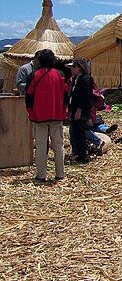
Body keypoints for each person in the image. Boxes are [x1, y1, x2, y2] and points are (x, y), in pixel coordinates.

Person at [25, 49, 68, 182]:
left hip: (39, 116)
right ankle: (60, 174)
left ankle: (41, 175)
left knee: (41, 146)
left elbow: (29, 95)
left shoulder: (34, 75)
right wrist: (64, 110)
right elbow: (66, 95)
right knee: (58, 146)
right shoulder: (60, 74)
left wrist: (30, 111)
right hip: (57, 115)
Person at [68, 58, 94, 164]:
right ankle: (79, 153)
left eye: (74, 66)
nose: (72, 69)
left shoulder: (86, 79)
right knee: (75, 131)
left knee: (80, 132)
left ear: (80, 67)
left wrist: (79, 110)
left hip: (81, 109)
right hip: (75, 108)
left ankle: (83, 156)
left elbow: (86, 96)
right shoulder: (76, 79)